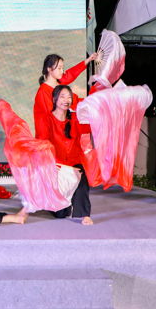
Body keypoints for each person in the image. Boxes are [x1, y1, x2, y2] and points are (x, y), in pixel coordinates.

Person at [36, 85, 93, 225]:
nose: (66, 100)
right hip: (55, 164)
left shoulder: (75, 118)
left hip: (74, 162)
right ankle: (56, 204)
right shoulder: (46, 119)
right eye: (62, 96)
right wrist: (52, 164)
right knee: (61, 214)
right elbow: (42, 142)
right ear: (54, 99)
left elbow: (89, 127)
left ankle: (84, 215)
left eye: (69, 97)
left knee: (81, 179)